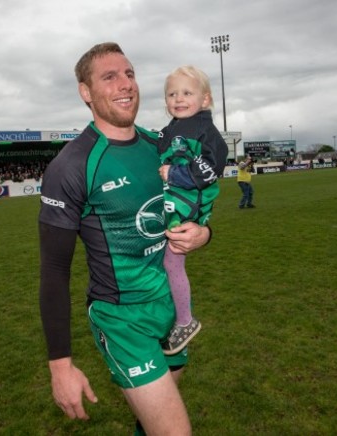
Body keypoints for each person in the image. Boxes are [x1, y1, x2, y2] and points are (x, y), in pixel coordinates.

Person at [38, 42, 211, 435]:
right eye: (110, 77)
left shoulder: (162, 147)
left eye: (129, 74)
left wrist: (204, 233)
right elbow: (53, 271)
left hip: (170, 309)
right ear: (86, 92)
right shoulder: (72, 166)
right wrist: (60, 365)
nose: (125, 84)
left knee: (150, 423)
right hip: (122, 318)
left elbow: (196, 207)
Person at [157, 65, 228, 355]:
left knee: (172, 262)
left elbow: (213, 167)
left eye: (187, 92)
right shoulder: (169, 130)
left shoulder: (204, 130)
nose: (178, 98)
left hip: (189, 207)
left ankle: (185, 321)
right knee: (162, 261)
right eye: (172, 93)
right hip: (171, 201)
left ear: (205, 100)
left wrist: (173, 174)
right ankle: (170, 316)